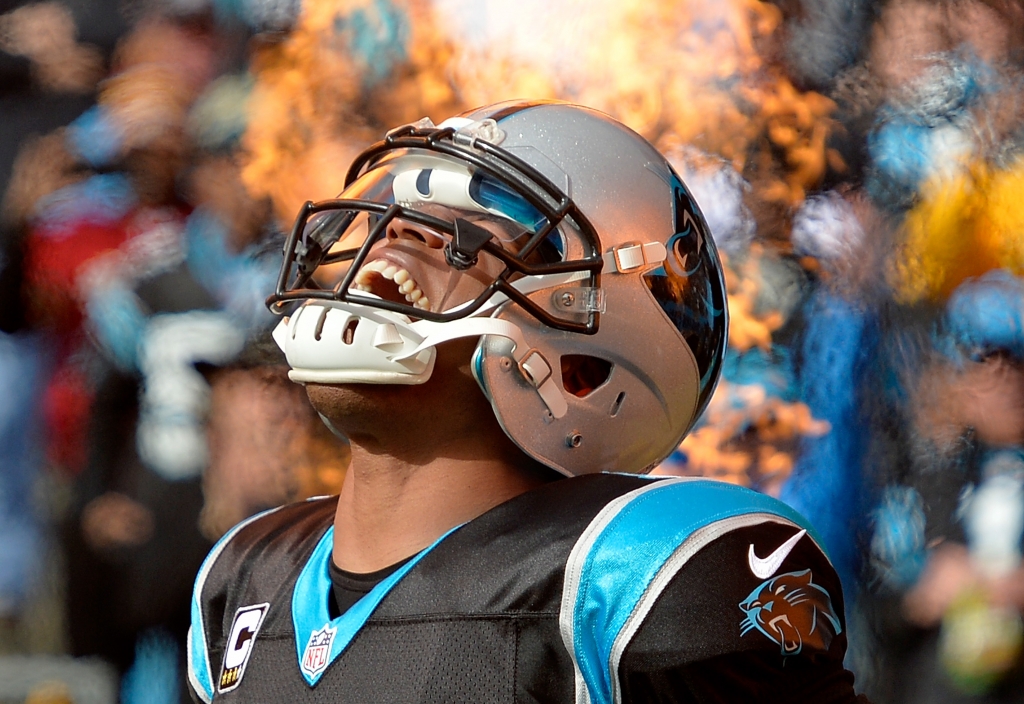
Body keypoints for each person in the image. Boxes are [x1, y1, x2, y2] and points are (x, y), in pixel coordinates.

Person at [187, 101, 869, 702]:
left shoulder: (636, 576)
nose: (397, 232)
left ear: (585, 367)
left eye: (467, 229)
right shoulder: (244, 577)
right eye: (401, 210)